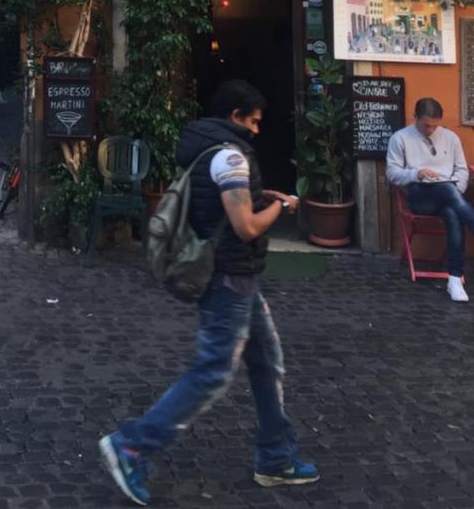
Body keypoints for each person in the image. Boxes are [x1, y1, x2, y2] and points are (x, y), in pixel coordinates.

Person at [98, 80, 319, 506]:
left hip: (239, 277)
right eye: (253, 121)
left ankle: (276, 457)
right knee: (213, 372)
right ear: (236, 117)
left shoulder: (209, 148)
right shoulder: (231, 157)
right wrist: (283, 206)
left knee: (267, 363)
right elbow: (246, 226)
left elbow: (228, 203)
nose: (257, 130)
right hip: (229, 278)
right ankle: (132, 446)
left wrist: (260, 196)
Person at [386, 96, 474, 302]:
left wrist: (455, 194)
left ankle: (454, 280)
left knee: (453, 211)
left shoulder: (451, 138)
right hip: (419, 196)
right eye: (426, 125)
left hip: (449, 196)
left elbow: (462, 171)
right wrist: (416, 173)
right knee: (448, 193)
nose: (431, 130)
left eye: (435, 126)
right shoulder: (400, 138)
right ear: (415, 117)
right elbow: (392, 173)